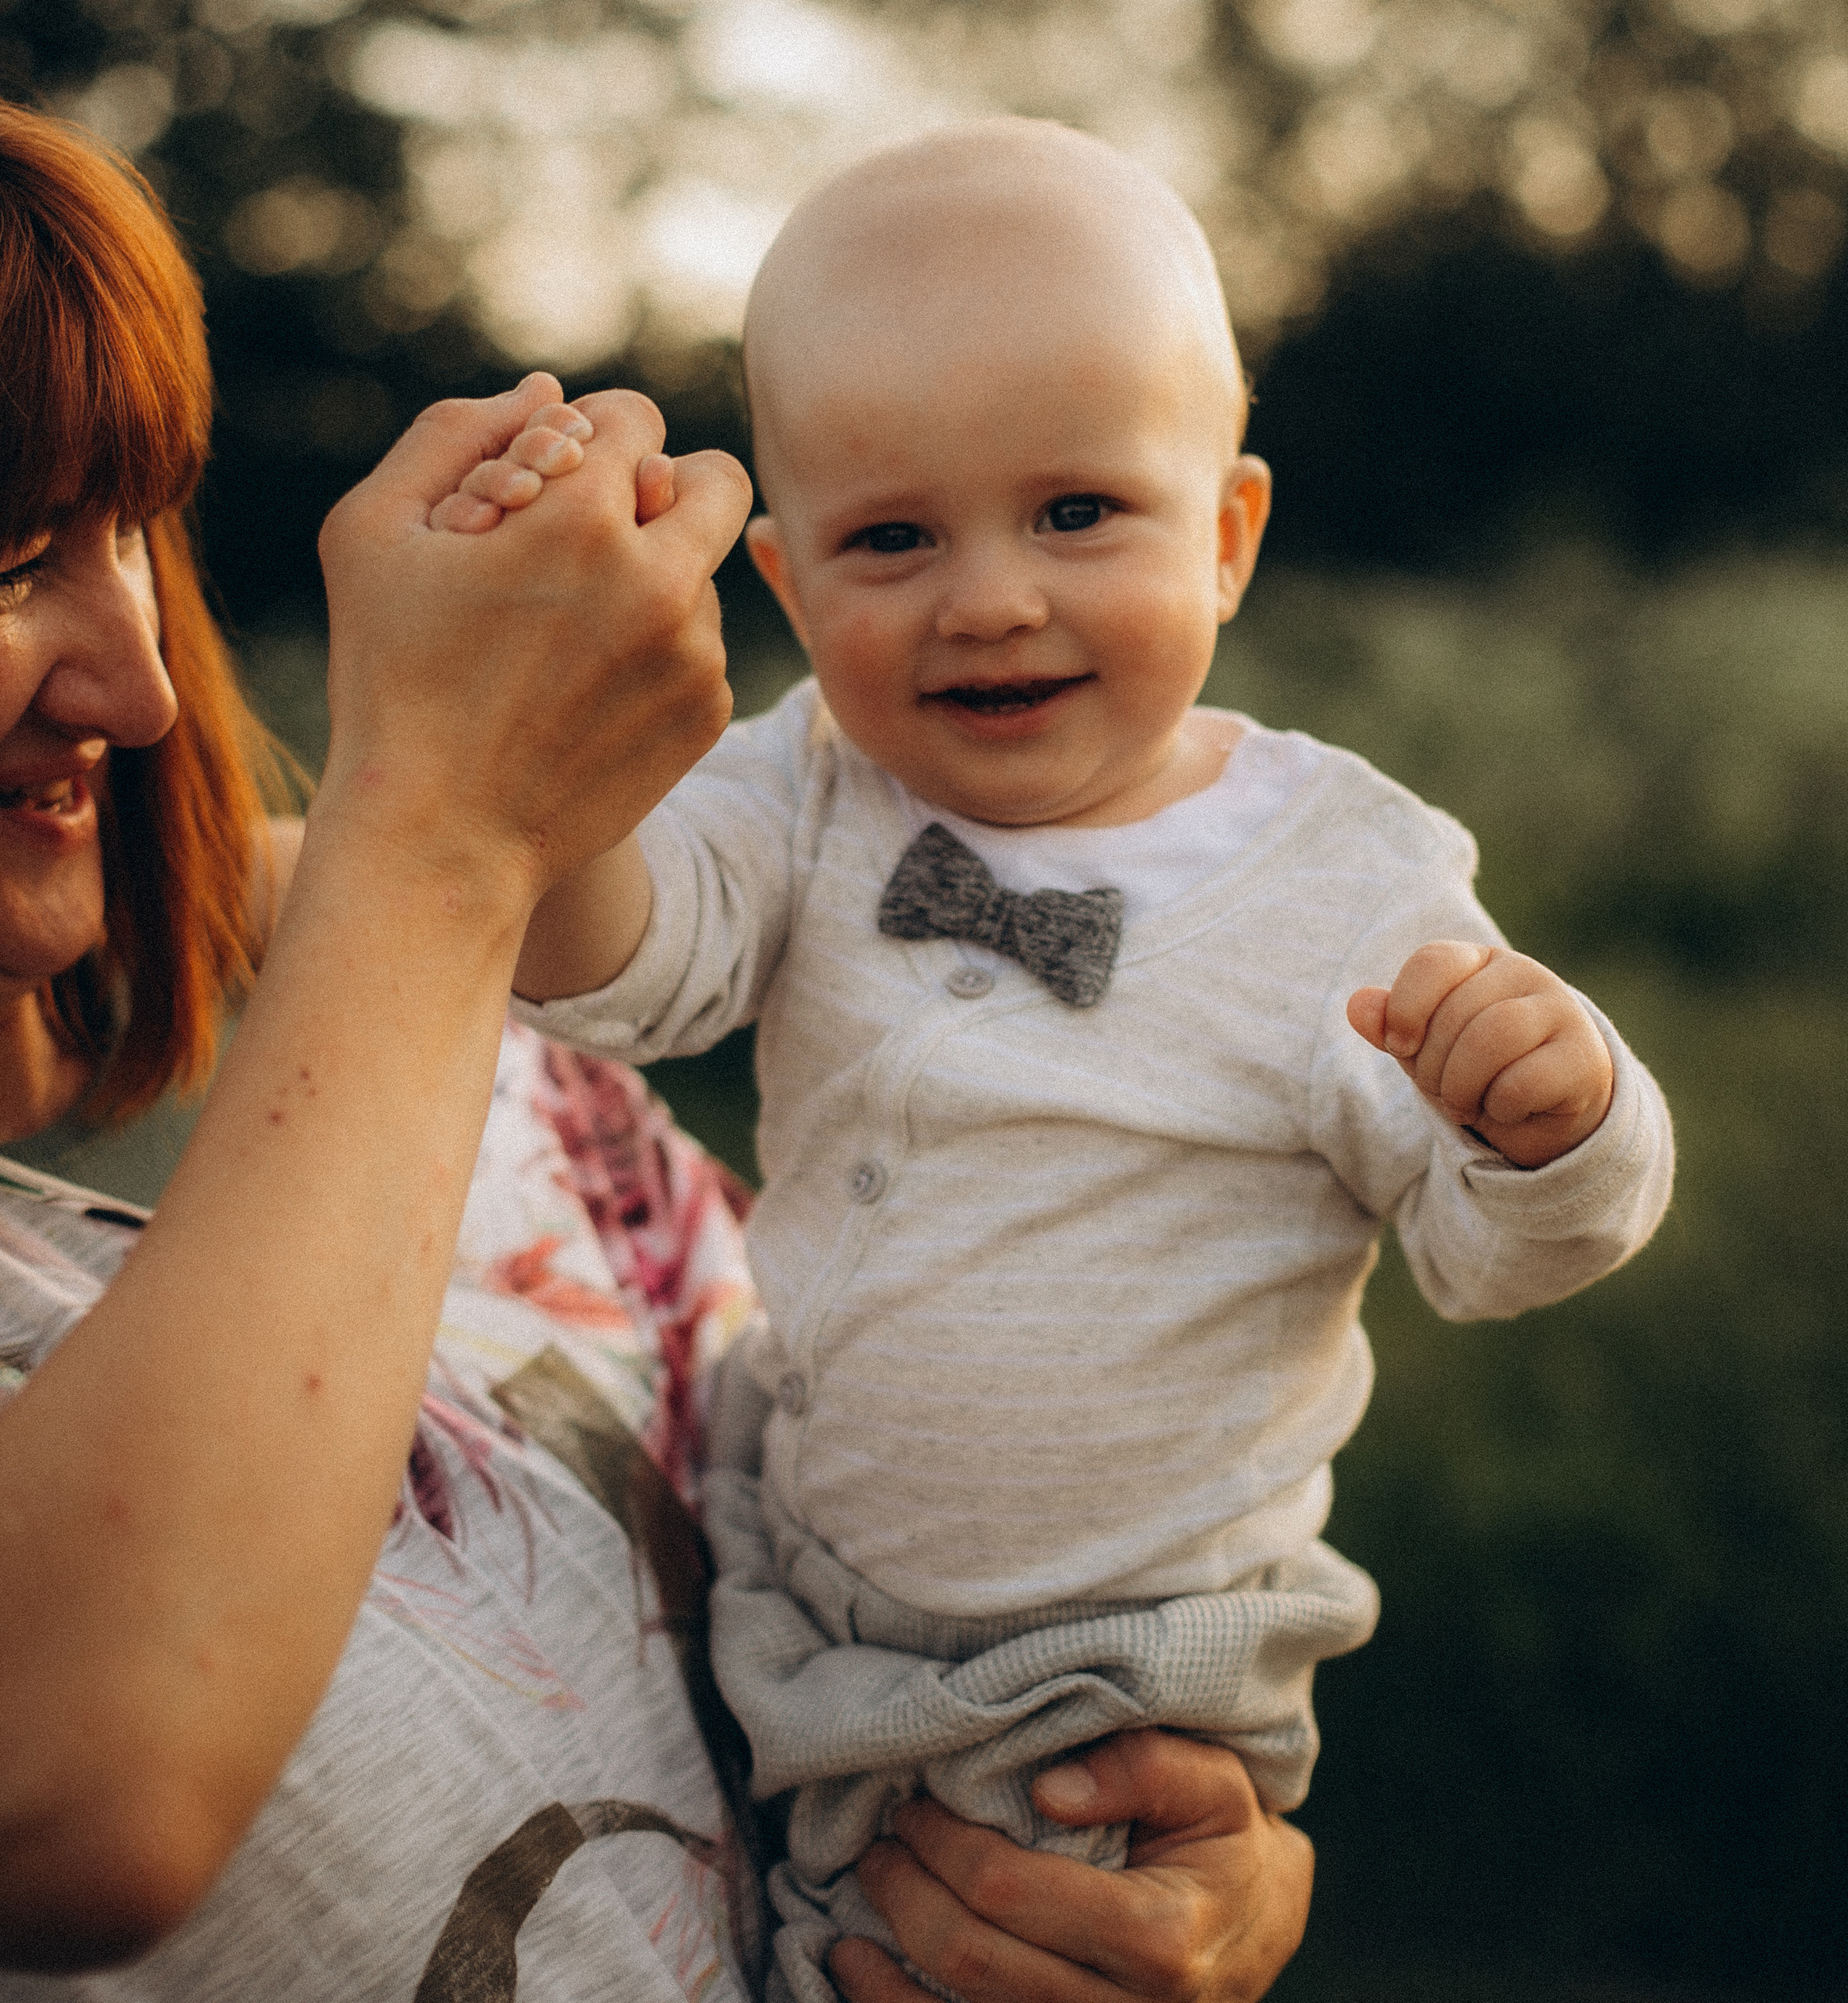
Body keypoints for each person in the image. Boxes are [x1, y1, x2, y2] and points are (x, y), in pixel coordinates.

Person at [0, 105, 1316, 2003]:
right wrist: (443, 824)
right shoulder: (425, 941)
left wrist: (1134, 1868)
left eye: (136, 530)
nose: (132, 679)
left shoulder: (509, 1074)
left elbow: (878, 1534)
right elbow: (77, 1789)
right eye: (15, 558)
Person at [493, 118, 1677, 2003]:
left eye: (1074, 514)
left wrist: (1564, 1127)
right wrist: (533, 785)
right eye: (893, 537)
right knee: (781, 1946)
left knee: (1010, 1963)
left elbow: (1493, 1253)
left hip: (1134, 1662)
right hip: (809, 1585)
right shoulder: (807, 785)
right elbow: (628, 968)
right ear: (792, 592)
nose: (986, 597)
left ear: (1226, 538)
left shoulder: (1352, 879)